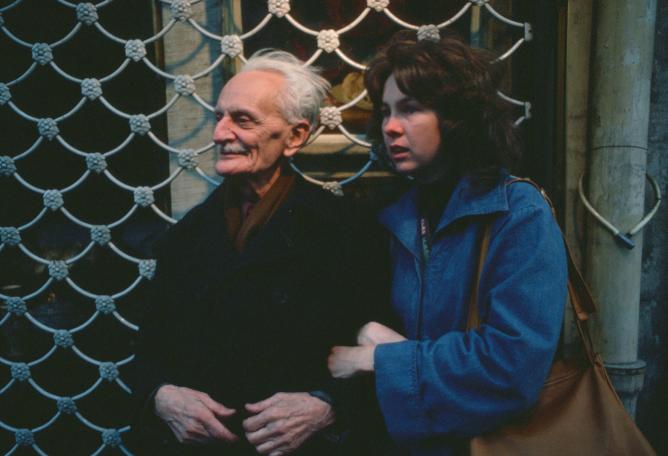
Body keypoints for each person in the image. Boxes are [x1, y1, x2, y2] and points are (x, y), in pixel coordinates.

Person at [132, 50, 389, 455]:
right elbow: (149, 355)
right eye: (219, 117)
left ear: (296, 137)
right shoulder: (185, 238)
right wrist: (162, 399)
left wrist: (328, 407)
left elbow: (385, 360)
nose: (219, 134)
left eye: (243, 119)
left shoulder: (346, 231)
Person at [327, 32, 568, 455]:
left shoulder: (516, 213)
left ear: (457, 117)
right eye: (385, 112)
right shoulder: (392, 216)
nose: (390, 127)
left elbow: (511, 367)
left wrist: (378, 359)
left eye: (411, 109)